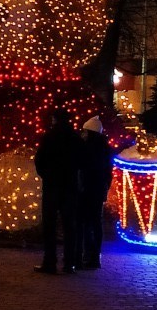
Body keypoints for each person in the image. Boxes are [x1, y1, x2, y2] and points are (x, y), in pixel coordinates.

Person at [34, 108, 83, 274]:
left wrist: (46, 175)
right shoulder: (76, 138)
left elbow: (39, 160)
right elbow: (81, 162)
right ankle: (69, 263)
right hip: (69, 185)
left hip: (52, 185)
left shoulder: (49, 137)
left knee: (50, 225)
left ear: (55, 119)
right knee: (70, 226)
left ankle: (50, 262)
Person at [77, 116, 114, 270]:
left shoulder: (87, 149)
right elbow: (108, 173)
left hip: (87, 190)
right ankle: (95, 255)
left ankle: (87, 255)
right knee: (95, 222)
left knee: (86, 223)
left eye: (85, 131)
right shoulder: (105, 149)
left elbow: (83, 169)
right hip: (98, 190)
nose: (82, 134)